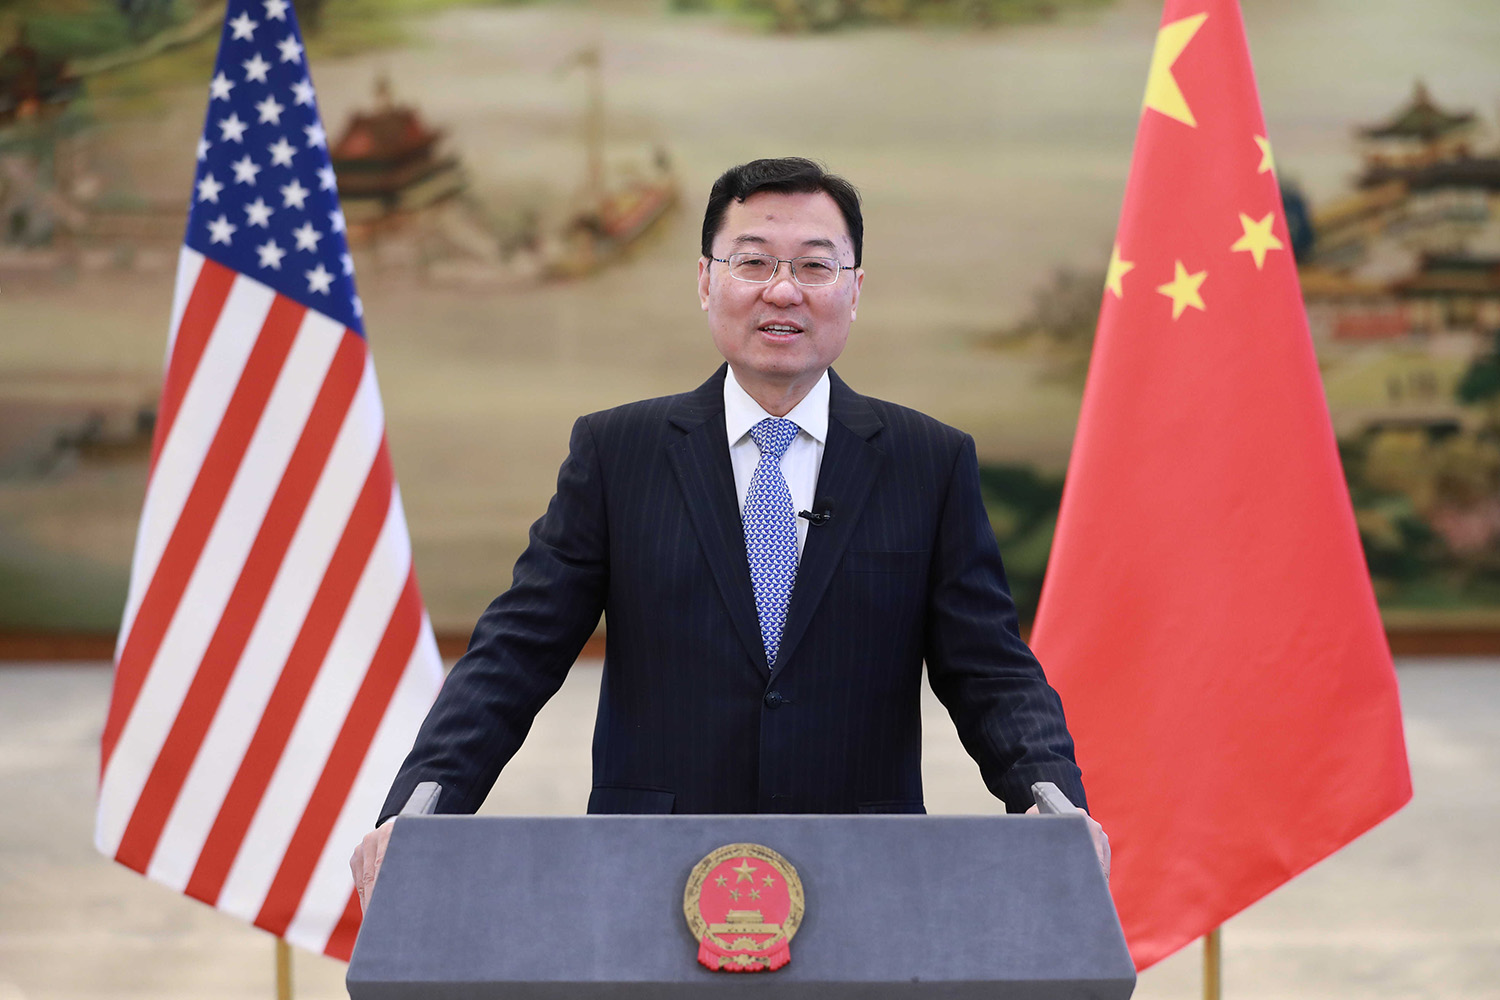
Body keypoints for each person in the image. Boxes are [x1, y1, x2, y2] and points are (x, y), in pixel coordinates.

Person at [351, 158, 1106, 909]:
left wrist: (1051, 799)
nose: (783, 290)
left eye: (815, 265)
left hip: (863, 877)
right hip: (650, 878)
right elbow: (516, 652)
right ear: (706, 282)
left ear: (854, 289)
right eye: (753, 262)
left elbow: (990, 669)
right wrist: (423, 807)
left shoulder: (927, 462)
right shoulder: (619, 454)